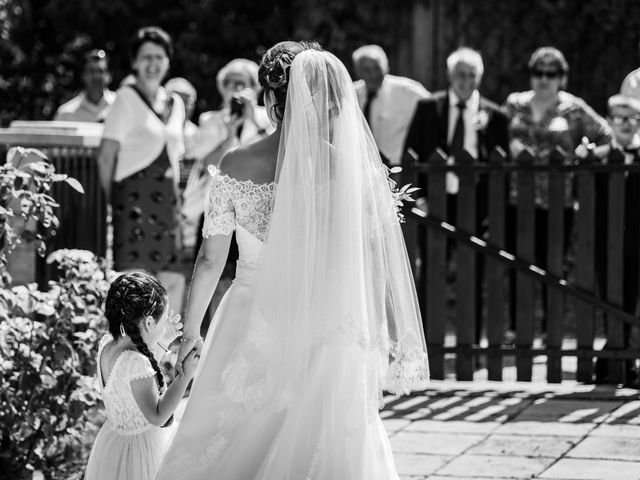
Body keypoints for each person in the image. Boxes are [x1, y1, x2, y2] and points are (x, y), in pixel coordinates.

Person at [156, 41, 429, 479]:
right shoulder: (351, 168)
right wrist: (379, 333)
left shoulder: (238, 163)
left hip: (252, 316)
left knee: (233, 431)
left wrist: (191, 333)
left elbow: (210, 260)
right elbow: (373, 258)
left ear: (269, 99)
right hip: (330, 321)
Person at [403, 47, 509, 343]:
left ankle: (470, 341)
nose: (465, 81)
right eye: (460, 75)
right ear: (450, 76)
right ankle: (424, 342)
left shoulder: (495, 115)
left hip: (475, 204)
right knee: (430, 272)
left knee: (471, 273)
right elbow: (411, 155)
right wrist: (418, 197)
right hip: (434, 201)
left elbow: (503, 165)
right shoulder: (428, 107)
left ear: (480, 77)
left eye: (471, 75)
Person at [504, 46, 611, 337]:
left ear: (562, 77)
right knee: (517, 264)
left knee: (553, 266)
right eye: (538, 72)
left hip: (558, 201)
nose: (544, 79)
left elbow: (608, 136)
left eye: (551, 73)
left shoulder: (573, 108)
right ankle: (518, 329)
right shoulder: (515, 104)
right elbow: (497, 139)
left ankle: (550, 329)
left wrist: (586, 152)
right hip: (517, 199)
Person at [96, 27, 186, 315]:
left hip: (168, 209)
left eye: (159, 56)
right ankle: (130, 358)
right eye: (146, 56)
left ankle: (164, 357)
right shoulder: (125, 99)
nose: (153, 63)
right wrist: (110, 203)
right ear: (134, 61)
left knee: (171, 284)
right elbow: (106, 158)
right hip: (132, 205)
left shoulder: (177, 104)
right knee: (133, 289)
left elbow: (175, 159)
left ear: (168, 62)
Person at [84, 272, 198, 480]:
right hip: (141, 451)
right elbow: (158, 416)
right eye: (162, 321)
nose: (165, 326)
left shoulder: (107, 345)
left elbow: (135, 378)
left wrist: (164, 341)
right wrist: (184, 376)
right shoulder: (136, 363)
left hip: (114, 443)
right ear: (148, 323)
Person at [582, 94, 640, 387]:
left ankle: (621, 359)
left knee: (632, 301)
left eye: (633, 118)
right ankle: (616, 359)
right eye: (619, 117)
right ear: (609, 121)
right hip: (605, 241)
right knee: (608, 299)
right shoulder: (598, 157)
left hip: (637, 245)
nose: (626, 124)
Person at [352, 44, 429, 166]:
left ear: (386, 67)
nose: (373, 75)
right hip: (362, 169)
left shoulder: (407, 90)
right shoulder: (351, 93)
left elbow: (434, 107)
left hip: (398, 168)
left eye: (377, 68)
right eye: (366, 70)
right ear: (358, 72)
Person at [54, 49, 116, 122]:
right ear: (83, 76)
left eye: (100, 71)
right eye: (91, 71)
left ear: (109, 76)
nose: (96, 76)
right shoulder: (65, 114)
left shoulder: (121, 105)